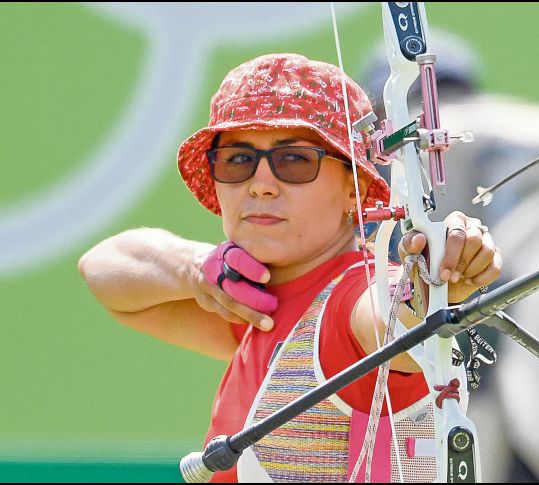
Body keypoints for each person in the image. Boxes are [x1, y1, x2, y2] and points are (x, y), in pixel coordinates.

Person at [77, 53, 502, 482]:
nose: (261, 184)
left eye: (296, 160)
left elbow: (394, 322)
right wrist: (196, 269)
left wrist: (434, 282)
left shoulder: (346, 303)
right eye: (238, 160)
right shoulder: (256, 305)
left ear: (354, 191)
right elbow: (103, 272)